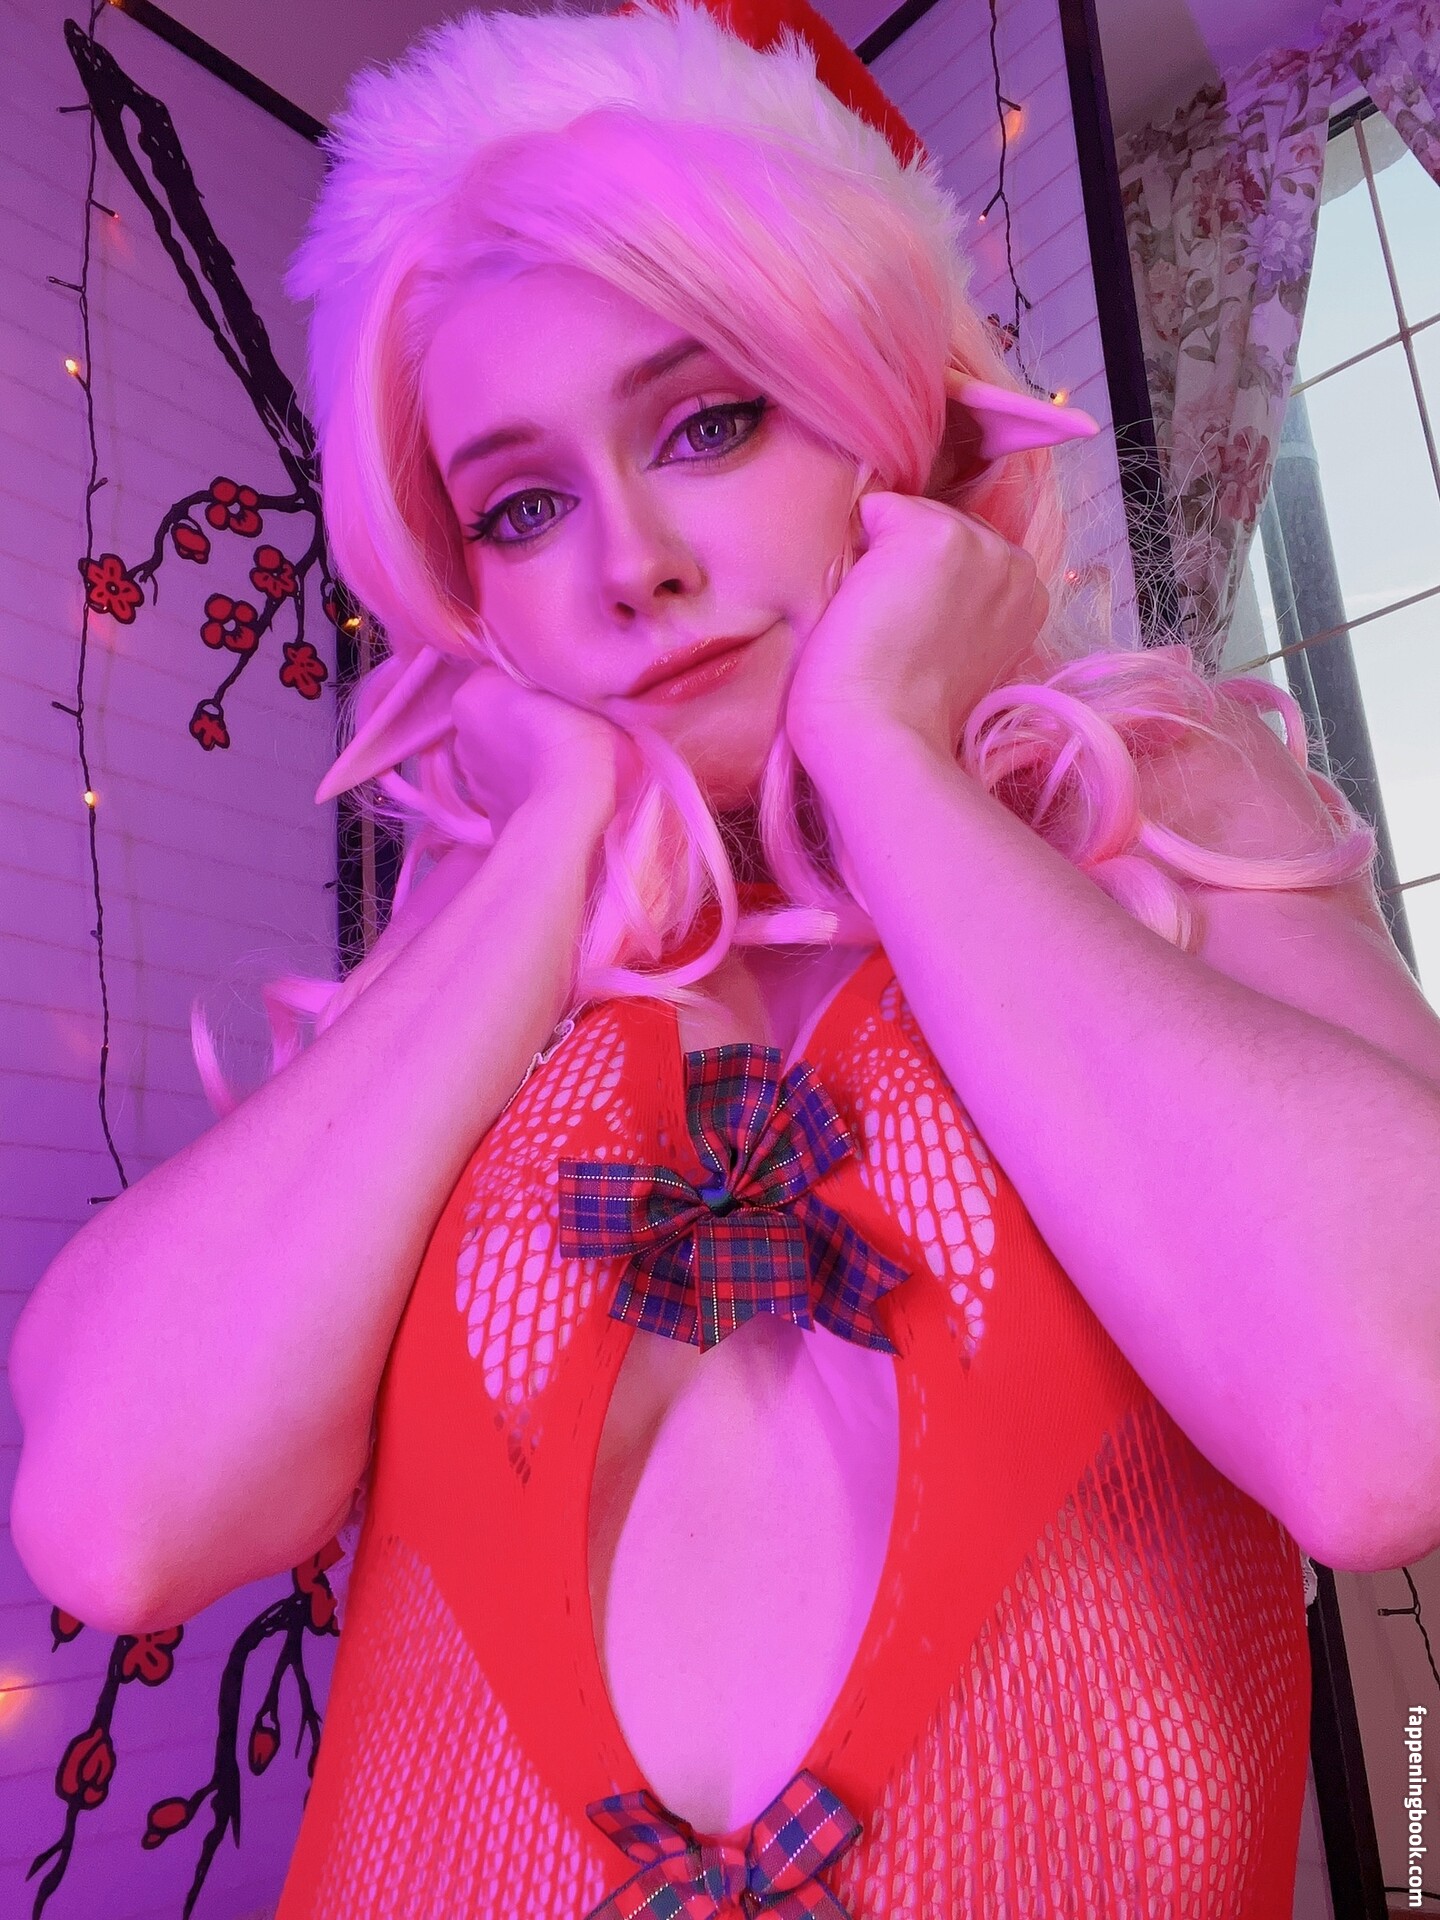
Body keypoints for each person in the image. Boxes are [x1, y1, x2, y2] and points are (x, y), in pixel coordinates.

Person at [11, 1, 1440, 1914]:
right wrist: (533, 857)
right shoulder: (476, 951)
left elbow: (1390, 1414)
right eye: (522, 505)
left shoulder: (1160, 800)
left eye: (710, 420)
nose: (630, 565)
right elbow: (117, 1523)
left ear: (894, 416)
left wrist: (891, 763)